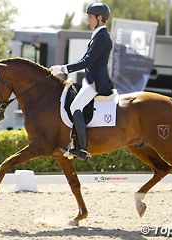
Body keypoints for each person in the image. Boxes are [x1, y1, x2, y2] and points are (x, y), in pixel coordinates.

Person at [50, 2, 113, 160]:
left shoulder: (103, 37)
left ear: (100, 18)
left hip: (97, 82)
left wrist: (64, 68)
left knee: (75, 106)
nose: (88, 20)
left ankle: (81, 148)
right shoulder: (97, 35)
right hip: (90, 80)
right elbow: (86, 60)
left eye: (90, 17)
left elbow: (87, 61)